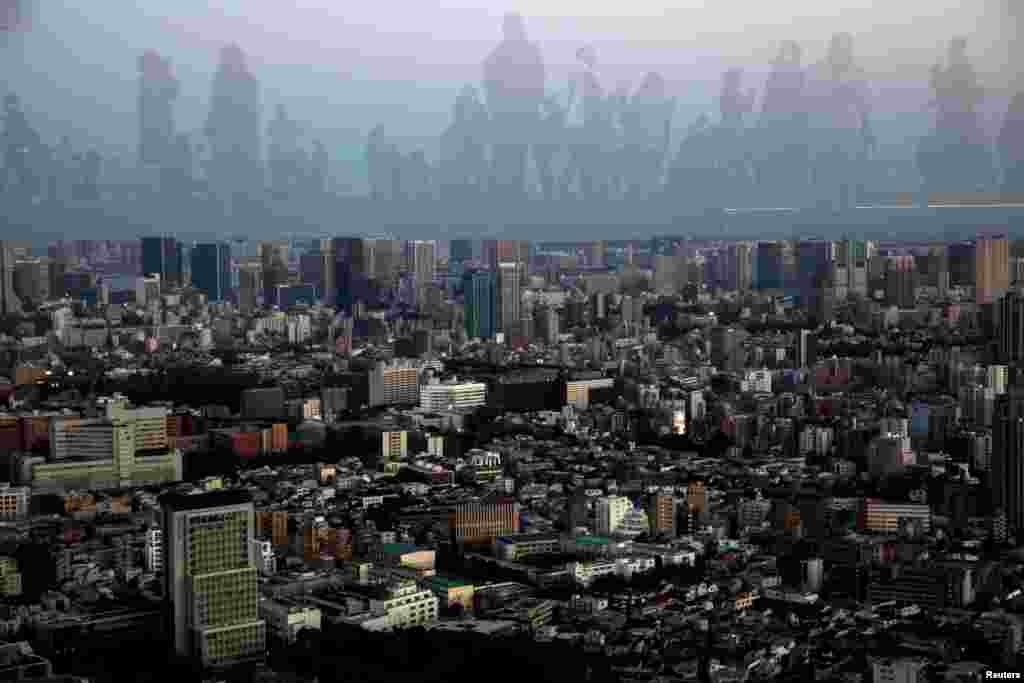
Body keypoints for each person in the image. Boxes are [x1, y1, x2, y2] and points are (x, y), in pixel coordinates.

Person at [482, 13, 545, 200]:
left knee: (508, 161)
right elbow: (539, 82)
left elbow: (489, 86)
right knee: (515, 160)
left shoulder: (496, 55)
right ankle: (513, 198)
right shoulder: (529, 51)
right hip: (519, 115)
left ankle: (508, 198)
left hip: (507, 117)